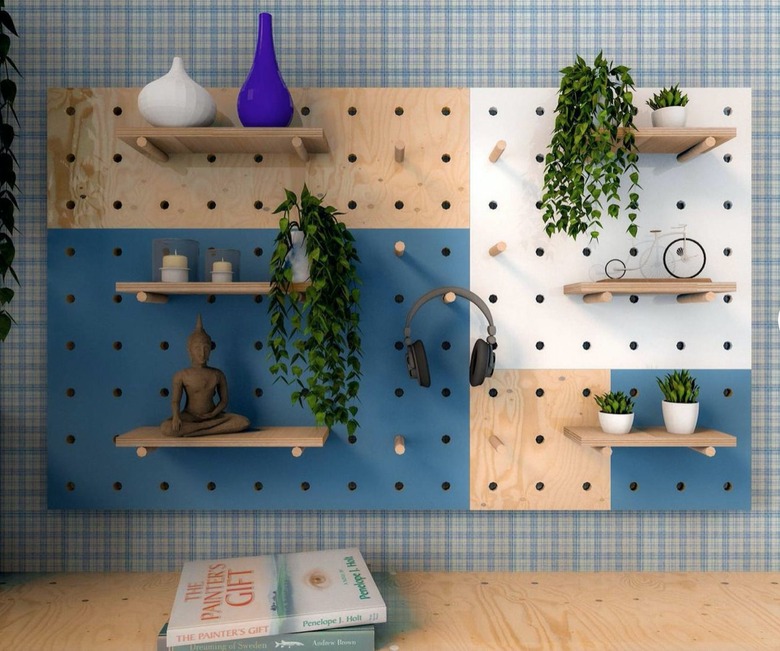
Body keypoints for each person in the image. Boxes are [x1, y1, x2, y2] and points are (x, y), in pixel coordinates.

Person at [160, 315, 250, 437]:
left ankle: (201, 431)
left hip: (213, 416)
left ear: (210, 351)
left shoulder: (217, 374)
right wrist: (176, 417)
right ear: (189, 350)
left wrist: (213, 414)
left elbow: (224, 401)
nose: (202, 353)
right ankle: (204, 428)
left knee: (243, 422)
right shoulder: (181, 375)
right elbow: (175, 401)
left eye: (206, 348)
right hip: (190, 416)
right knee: (166, 427)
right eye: (197, 348)